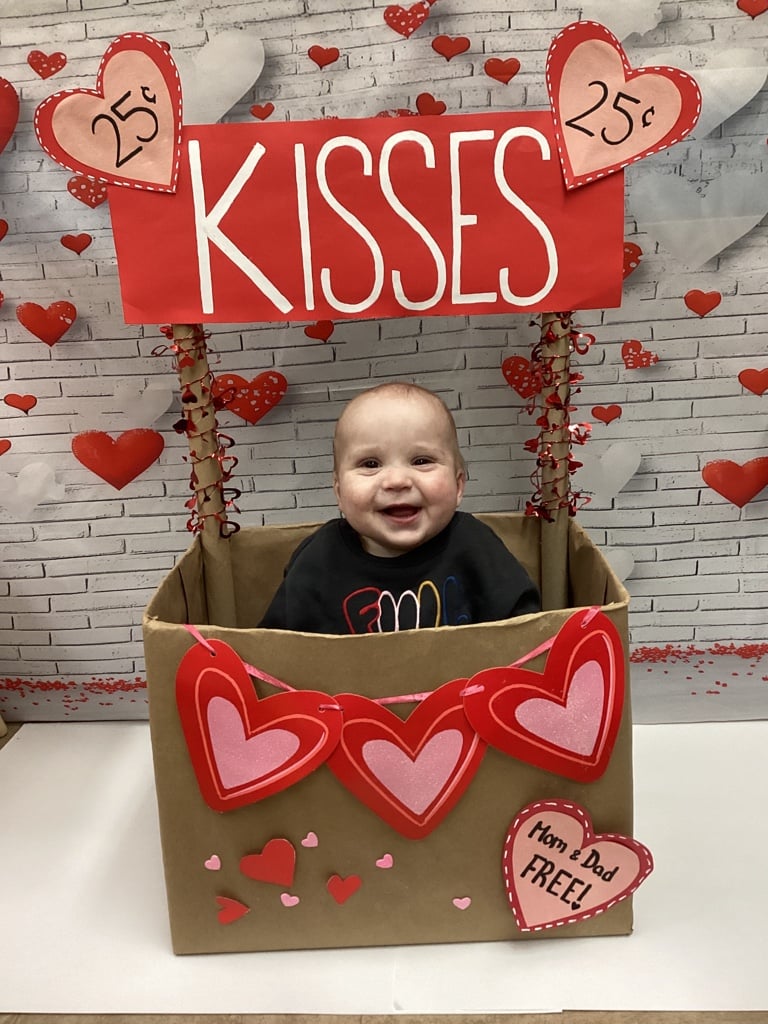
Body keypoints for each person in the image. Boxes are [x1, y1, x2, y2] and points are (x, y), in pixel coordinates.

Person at [259, 381, 541, 634]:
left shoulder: (476, 546)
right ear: (339, 492)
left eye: (421, 461)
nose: (397, 481)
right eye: (370, 464)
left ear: (458, 486)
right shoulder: (318, 559)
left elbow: (528, 631)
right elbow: (274, 649)